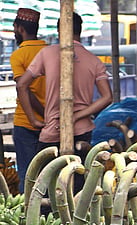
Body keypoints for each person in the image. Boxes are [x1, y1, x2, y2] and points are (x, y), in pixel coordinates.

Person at [16, 13, 113, 153]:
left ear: (59, 31)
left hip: (53, 130)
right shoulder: (94, 61)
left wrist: (33, 120)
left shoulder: (47, 53)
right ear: (80, 30)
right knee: (80, 173)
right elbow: (107, 97)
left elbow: (21, 85)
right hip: (82, 130)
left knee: (45, 174)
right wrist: (77, 116)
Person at [9, 8, 47, 184]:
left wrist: (39, 113)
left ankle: (29, 211)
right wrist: (48, 113)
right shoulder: (50, 51)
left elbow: (23, 87)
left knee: (27, 176)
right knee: (48, 175)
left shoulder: (18, 55)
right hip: (51, 122)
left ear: (20, 29)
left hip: (26, 122)